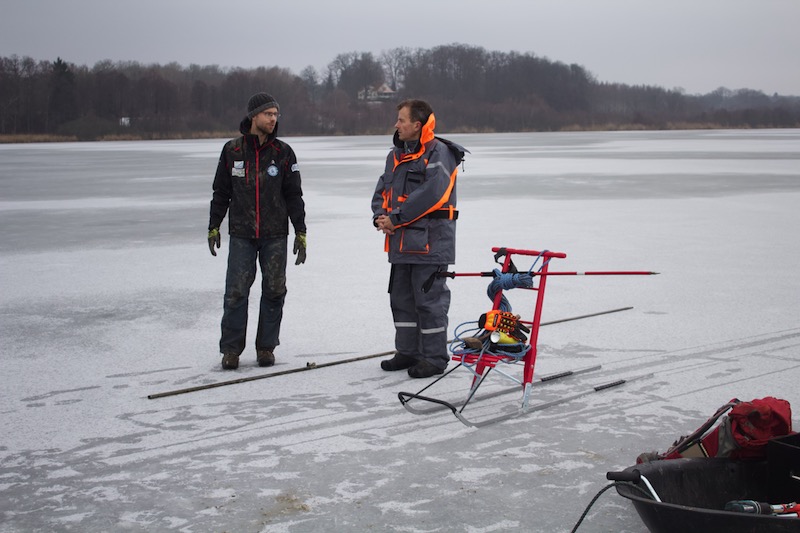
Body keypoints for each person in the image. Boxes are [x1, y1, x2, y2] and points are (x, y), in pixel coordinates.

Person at [208, 92, 307, 370]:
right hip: (242, 233)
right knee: (236, 292)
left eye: (276, 115)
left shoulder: (283, 153)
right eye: (268, 114)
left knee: (275, 291)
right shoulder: (233, 151)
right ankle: (230, 351)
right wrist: (213, 225)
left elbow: (294, 195)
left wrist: (301, 230)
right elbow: (221, 192)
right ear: (254, 116)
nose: (273, 119)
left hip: (275, 234)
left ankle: (266, 347)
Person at [372, 99, 467, 378]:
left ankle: (434, 358)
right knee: (401, 300)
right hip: (401, 243)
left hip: (431, 245)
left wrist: (396, 218)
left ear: (417, 124)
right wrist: (379, 216)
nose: (396, 125)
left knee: (429, 303)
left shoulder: (440, 153)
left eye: (401, 120)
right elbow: (382, 189)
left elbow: (432, 194)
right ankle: (407, 352)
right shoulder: (395, 155)